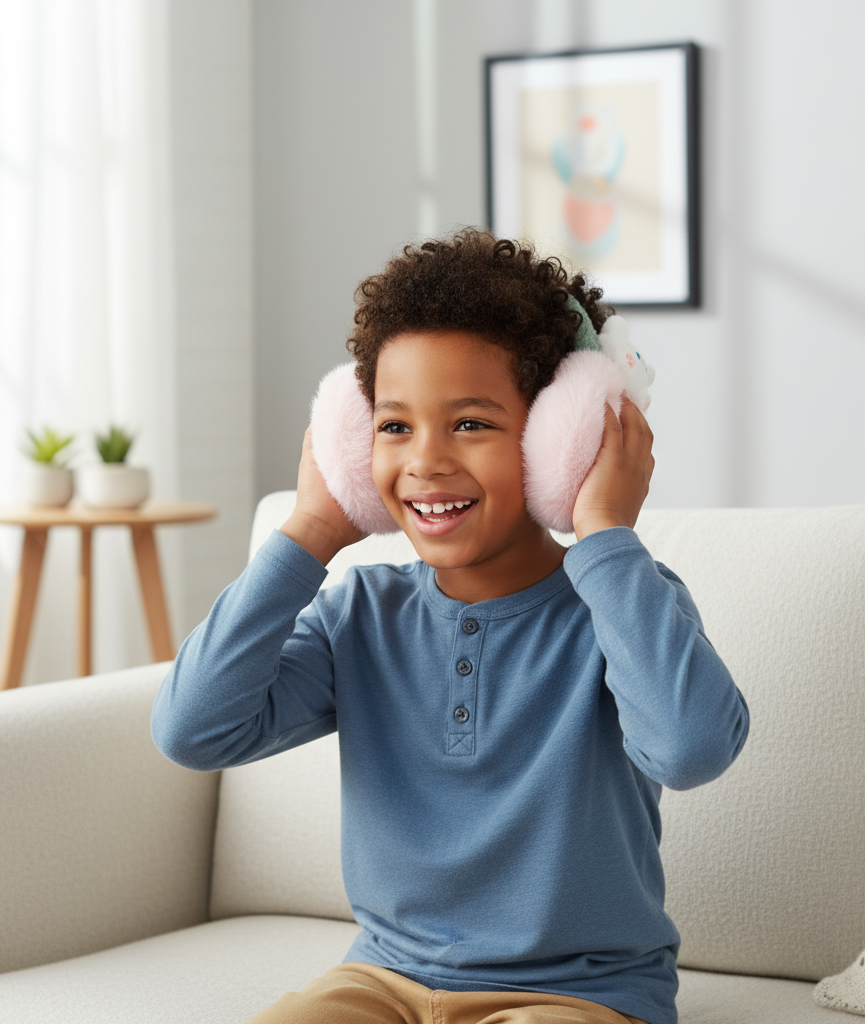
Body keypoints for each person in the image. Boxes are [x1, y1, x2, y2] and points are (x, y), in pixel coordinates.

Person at [151, 230, 750, 1024]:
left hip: (578, 996)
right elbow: (193, 731)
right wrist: (309, 533)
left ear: (560, 443)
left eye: (469, 423)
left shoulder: (623, 605)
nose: (425, 461)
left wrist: (605, 533)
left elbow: (692, 747)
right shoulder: (359, 614)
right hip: (382, 981)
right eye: (394, 427)